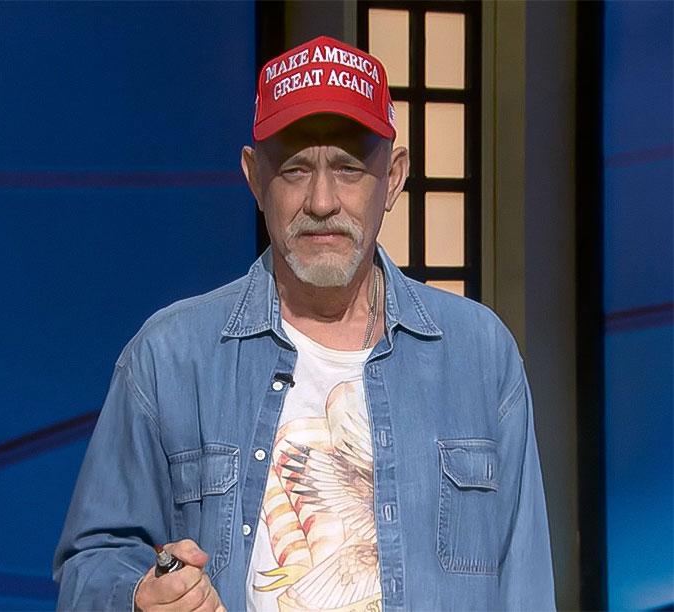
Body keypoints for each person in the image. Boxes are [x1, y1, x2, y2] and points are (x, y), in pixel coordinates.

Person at [54, 35, 555, 611]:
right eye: (295, 169)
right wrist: (139, 594)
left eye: (347, 168)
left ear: (393, 179)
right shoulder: (168, 359)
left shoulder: (480, 354)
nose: (321, 201)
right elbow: (90, 564)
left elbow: (526, 587)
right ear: (253, 176)